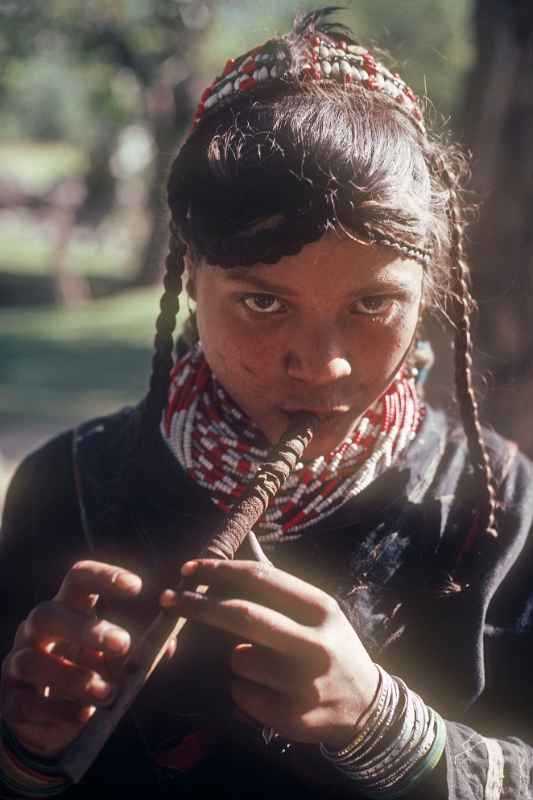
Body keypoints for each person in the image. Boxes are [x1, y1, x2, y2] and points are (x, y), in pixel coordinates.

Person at [1, 7, 532, 799]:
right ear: (190, 283)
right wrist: (26, 750)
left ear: (428, 295)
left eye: (372, 304)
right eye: (260, 303)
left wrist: (387, 729)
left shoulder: (500, 508)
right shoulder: (68, 487)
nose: (321, 366)